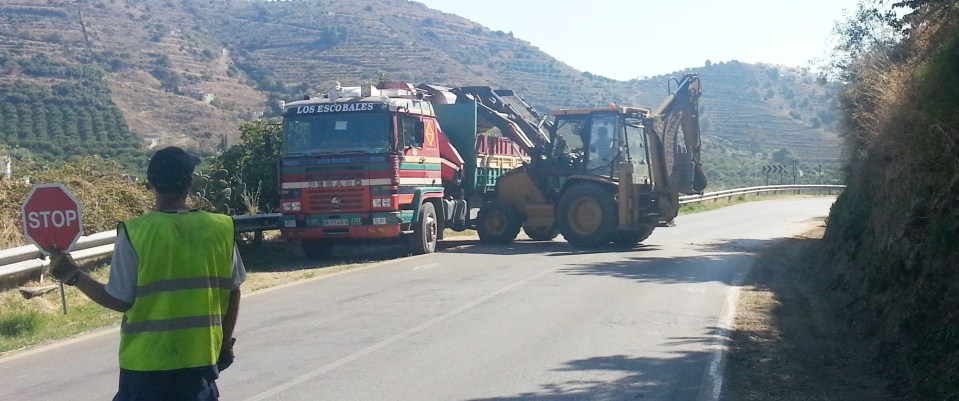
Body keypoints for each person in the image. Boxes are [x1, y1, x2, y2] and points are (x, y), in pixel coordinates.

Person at [49, 146, 246, 401]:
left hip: (145, 367)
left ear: (150, 183)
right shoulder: (220, 228)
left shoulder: (135, 233)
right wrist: (224, 344)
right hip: (199, 363)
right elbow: (234, 292)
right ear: (190, 183)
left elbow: (118, 300)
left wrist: (74, 276)